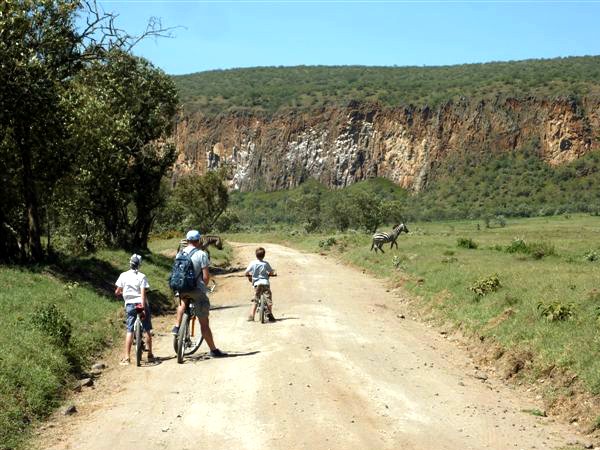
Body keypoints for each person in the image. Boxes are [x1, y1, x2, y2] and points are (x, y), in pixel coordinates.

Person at [171, 230, 226, 357]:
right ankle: (213, 350)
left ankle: (177, 326)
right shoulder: (202, 254)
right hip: (197, 290)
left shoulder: (180, 253)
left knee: (182, 302)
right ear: (198, 240)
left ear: (187, 240)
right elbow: (206, 277)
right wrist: (203, 288)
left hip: (181, 288)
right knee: (204, 323)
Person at [115, 254, 154, 365]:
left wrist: (125, 293)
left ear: (130, 263)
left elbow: (117, 292)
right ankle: (150, 354)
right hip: (139, 304)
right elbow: (142, 294)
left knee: (129, 330)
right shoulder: (142, 276)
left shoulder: (123, 275)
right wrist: (143, 308)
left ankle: (127, 357)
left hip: (130, 305)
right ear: (139, 264)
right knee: (147, 328)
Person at [245, 247, 277, 322]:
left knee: (256, 299)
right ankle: (270, 314)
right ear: (264, 255)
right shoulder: (266, 264)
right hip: (265, 283)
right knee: (269, 300)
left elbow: (246, 272)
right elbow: (271, 272)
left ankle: (252, 316)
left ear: (256, 255)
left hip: (256, 284)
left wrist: (249, 275)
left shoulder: (253, 263)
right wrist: (272, 274)